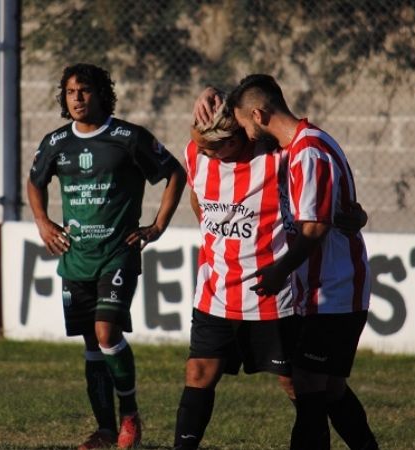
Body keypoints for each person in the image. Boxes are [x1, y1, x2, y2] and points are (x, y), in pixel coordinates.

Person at [27, 63, 186, 450]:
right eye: (70, 92)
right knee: (92, 346)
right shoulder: (56, 143)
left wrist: (157, 226)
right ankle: (104, 431)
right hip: (75, 256)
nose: (77, 98)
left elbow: (175, 174)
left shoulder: (128, 137)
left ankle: (129, 414)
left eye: (84, 90)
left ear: (101, 94)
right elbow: (35, 182)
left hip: (118, 254)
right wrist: (43, 222)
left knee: (106, 332)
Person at [228, 74, 378, 450]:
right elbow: (335, 214)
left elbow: (314, 228)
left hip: (333, 290)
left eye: (244, 123)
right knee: (330, 388)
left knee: (308, 383)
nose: (244, 134)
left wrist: (279, 271)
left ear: (259, 114)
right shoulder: (303, 145)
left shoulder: (309, 152)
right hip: (322, 290)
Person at [173, 88, 299, 449]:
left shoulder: (276, 156)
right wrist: (210, 91)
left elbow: (261, 99)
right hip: (216, 290)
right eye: (201, 145)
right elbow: (197, 197)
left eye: (213, 147)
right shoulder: (195, 154)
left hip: (271, 294)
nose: (204, 152)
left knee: (295, 382)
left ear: (236, 137)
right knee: (199, 371)